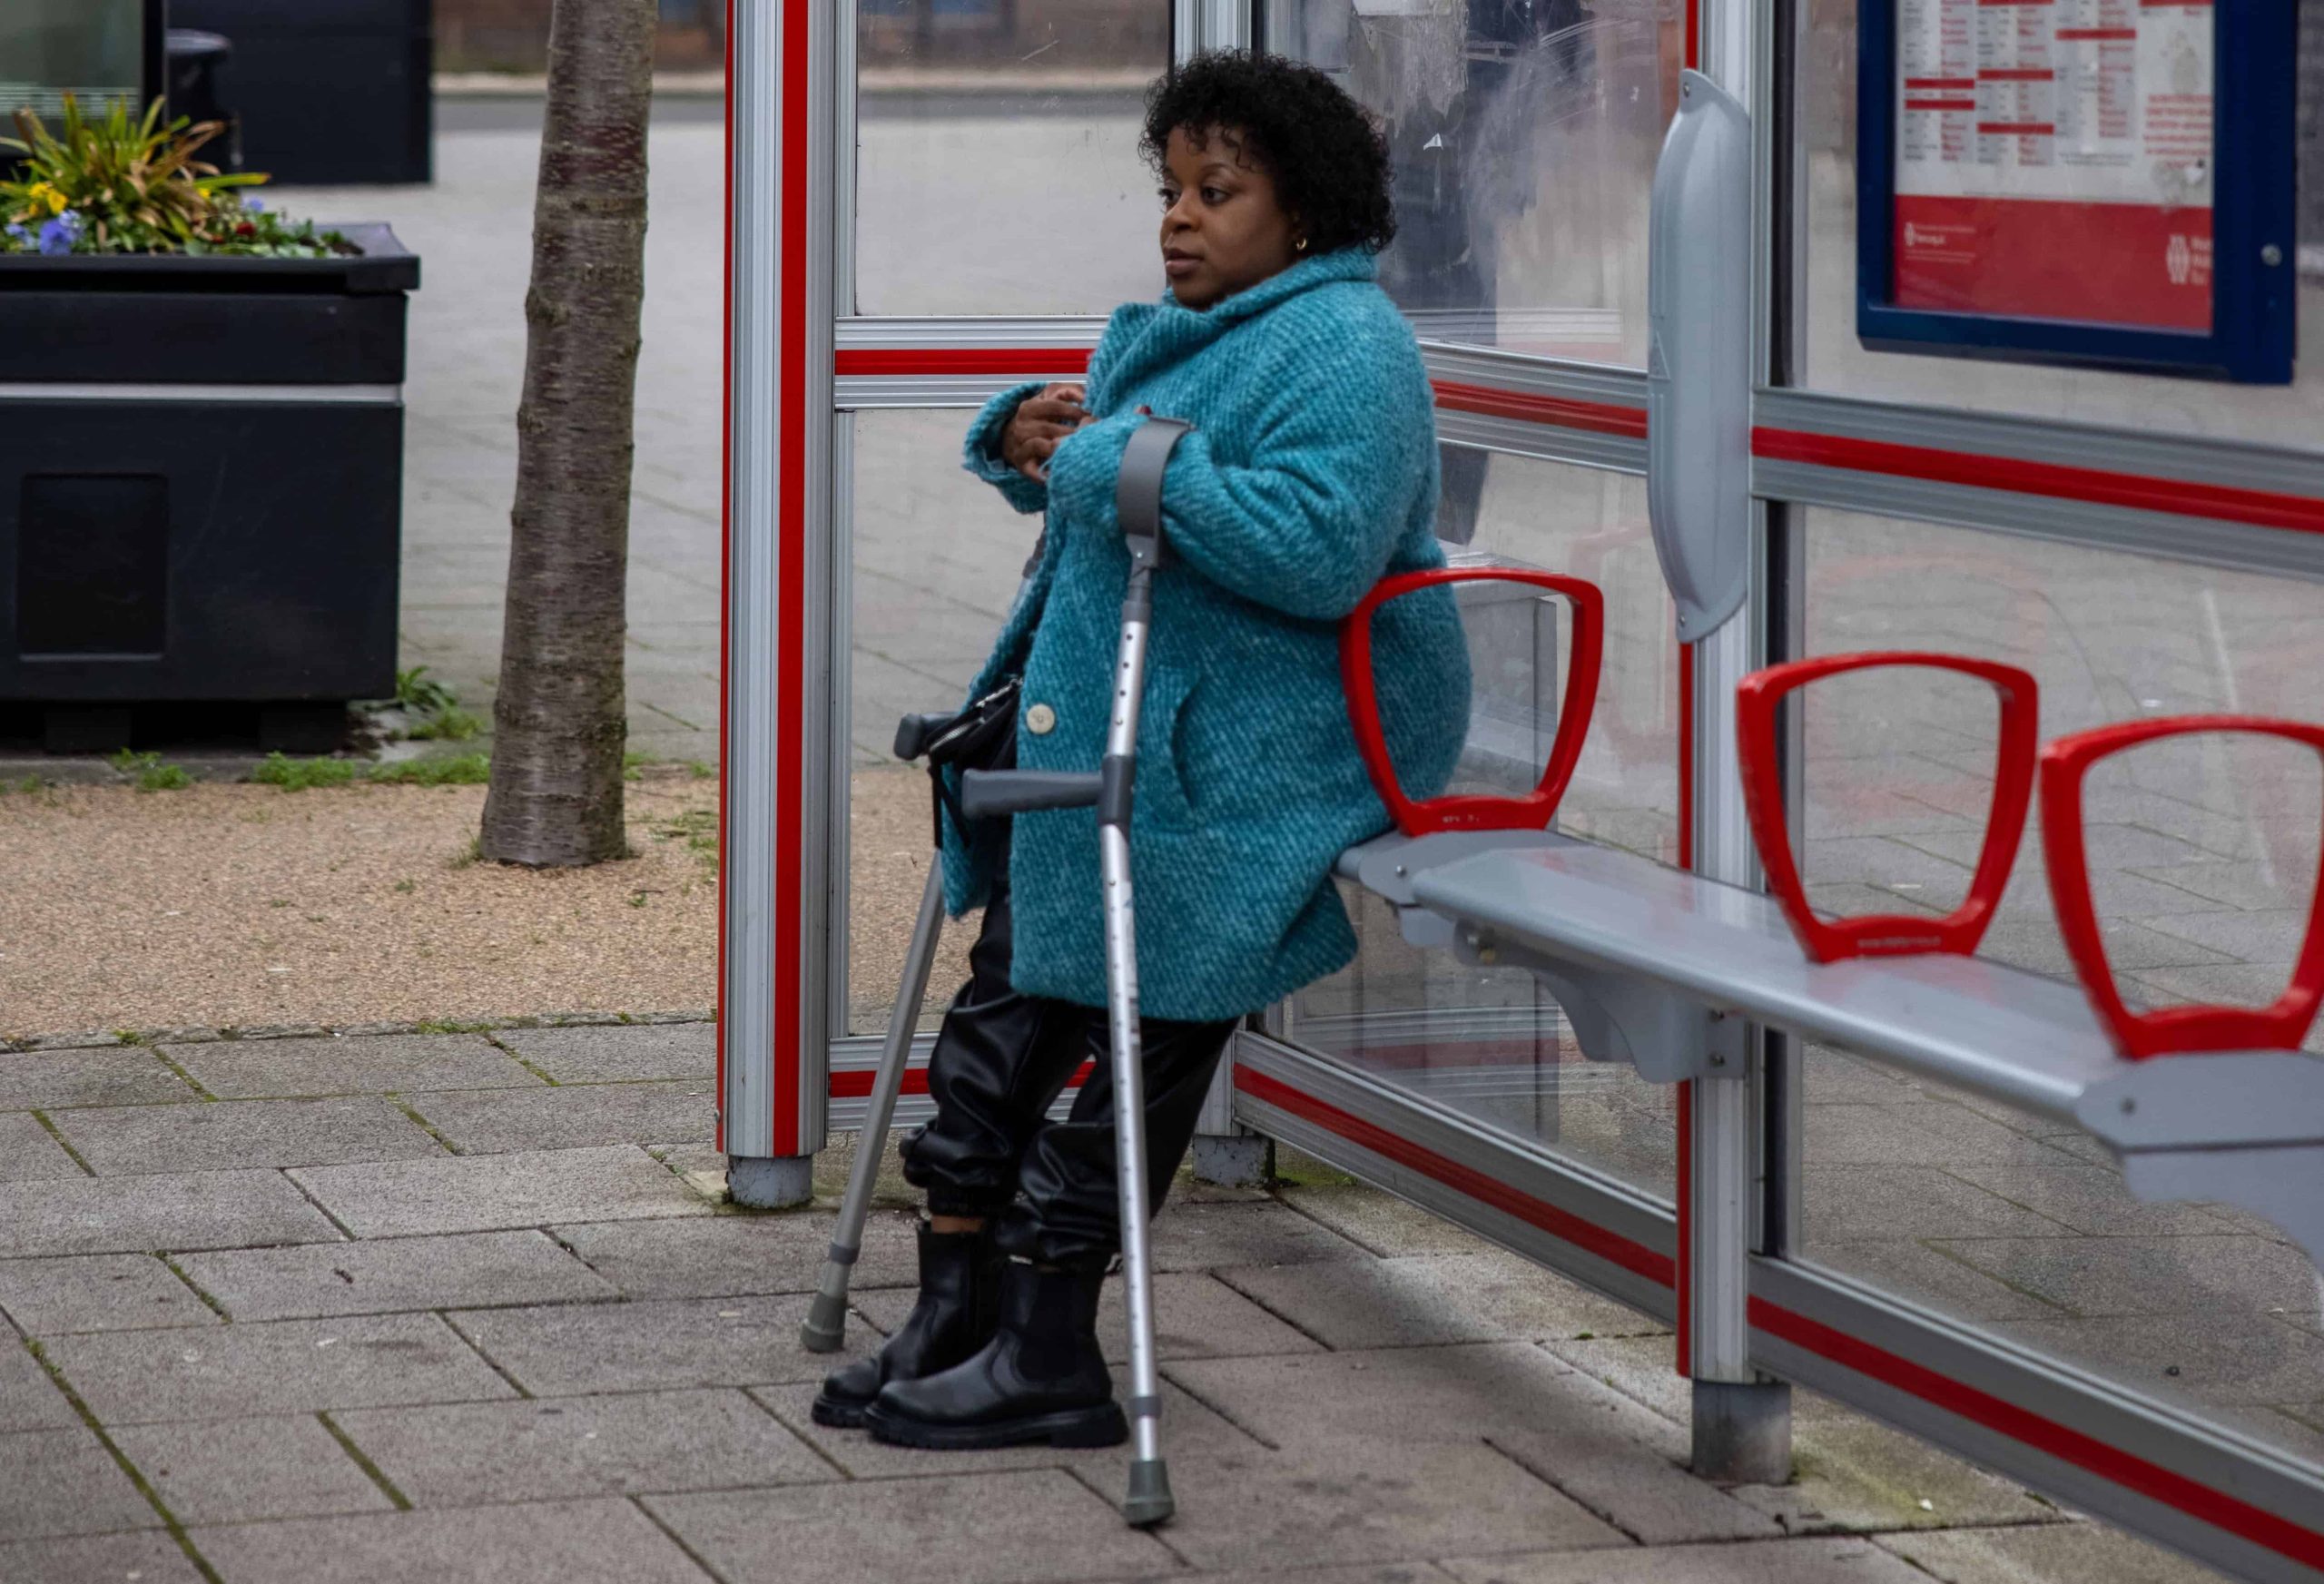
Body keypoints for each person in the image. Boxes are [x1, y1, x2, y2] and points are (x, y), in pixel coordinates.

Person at [814, 48, 1471, 1453]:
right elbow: (1116, 491)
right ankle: (958, 1309)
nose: (1179, 217)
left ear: (1303, 213)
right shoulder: (1187, 327)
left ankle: (1050, 1348)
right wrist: (1034, 441)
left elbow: (1317, 548)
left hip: (1251, 753)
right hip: (1116, 731)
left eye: (1216, 191)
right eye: (1170, 189)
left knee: (1142, 1029)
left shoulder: (1352, 346)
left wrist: (1118, 459)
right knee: (1000, 1022)